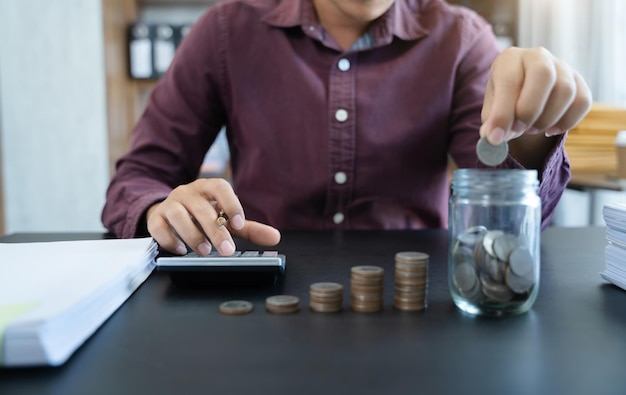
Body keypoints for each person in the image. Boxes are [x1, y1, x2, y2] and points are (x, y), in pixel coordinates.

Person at [102, 0, 592, 257]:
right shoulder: (226, 30)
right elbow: (138, 178)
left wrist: (530, 128)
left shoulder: (462, 39)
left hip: (420, 301)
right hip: (259, 288)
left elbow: (505, 220)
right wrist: (161, 210)